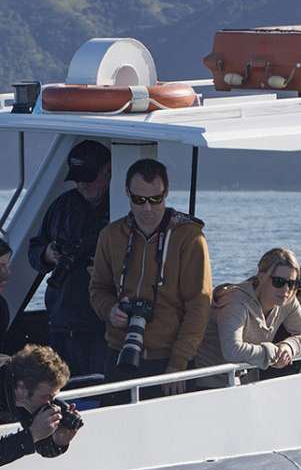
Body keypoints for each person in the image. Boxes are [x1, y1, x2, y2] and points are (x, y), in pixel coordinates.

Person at [87, 158, 212, 396]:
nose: (148, 208)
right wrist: (110, 310)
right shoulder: (111, 235)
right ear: (127, 193)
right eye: (139, 199)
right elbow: (98, 289)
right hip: (120, 354)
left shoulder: (189, 237)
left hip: (169, 361)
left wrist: (178, 363)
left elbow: (199, 305)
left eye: (156, 199)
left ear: (167, 193)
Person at [26, 140, 112, 377]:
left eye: (89, 177)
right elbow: (34, 249)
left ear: (108, 171)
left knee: (97, 384)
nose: (82, 184)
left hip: (100, 324)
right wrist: (47, 254)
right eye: (77, 178)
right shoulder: (61, 206)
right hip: (61, 320)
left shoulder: (121, 208)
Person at [193, 247, 301, 386]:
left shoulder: (287, 300)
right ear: (261, 277)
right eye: (279, 282)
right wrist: (273, 353)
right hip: (211, 383)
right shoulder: (236, 303)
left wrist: (289, 347)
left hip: (245, 380)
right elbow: (232, 351)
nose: (286, 289)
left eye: (292, 283)